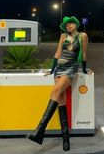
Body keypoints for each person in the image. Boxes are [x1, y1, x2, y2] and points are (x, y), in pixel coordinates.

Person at [28, 16, 92, 151]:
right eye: (66, 24)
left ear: (75, 24)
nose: (69, 26)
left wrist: (85, 70)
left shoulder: (82, 36)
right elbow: (58, 53)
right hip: (59, 69)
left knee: (54, 92)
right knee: (61, 100)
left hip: (70, 69)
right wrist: (51, 70)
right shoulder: (63, 36)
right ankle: (66, 138)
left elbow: (84, 54)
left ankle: (40, 130)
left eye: (71, 23)